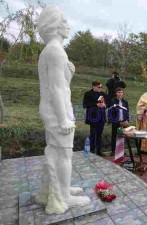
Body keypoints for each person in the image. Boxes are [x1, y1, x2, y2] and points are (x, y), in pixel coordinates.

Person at [34, 6, 90, 214]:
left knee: (56, 153)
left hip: (52, 109)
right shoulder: (56, 51)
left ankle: (56, 189)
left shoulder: (50, 50)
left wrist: (69, 75)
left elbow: (58, 84)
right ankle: (62, 196)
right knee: (64, 154)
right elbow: (57, 89)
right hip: (57, 111)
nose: (68, 24)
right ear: (55, 25)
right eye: (64, 20)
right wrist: (64, 118)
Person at [83, 81, 110, 156]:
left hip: (101, 117)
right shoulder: (88, 94)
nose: (100, 88)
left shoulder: (103, 94)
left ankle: (99, 151)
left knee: (99, 134)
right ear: (93, 87)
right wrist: (96, 104)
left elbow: (109, 102)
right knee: (93, 134)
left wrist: (105, 105)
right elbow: (85, 104)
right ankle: (92, 150)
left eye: (101, 87)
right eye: (99, 87)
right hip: (93, 117)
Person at [108, 87, 129, 156]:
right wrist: (113, 120)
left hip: (123, 121)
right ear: (116, 93)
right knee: (114, 136)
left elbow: (127, 111)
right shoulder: (113, 101)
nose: (120, 94)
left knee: (122, 136)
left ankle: (121, 150)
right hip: (115, 122)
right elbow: (110, 112)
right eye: (118, 92)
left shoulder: (125, 102)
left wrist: (126, 120)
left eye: (121, 92)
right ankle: (113, 151)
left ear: (123, 93)